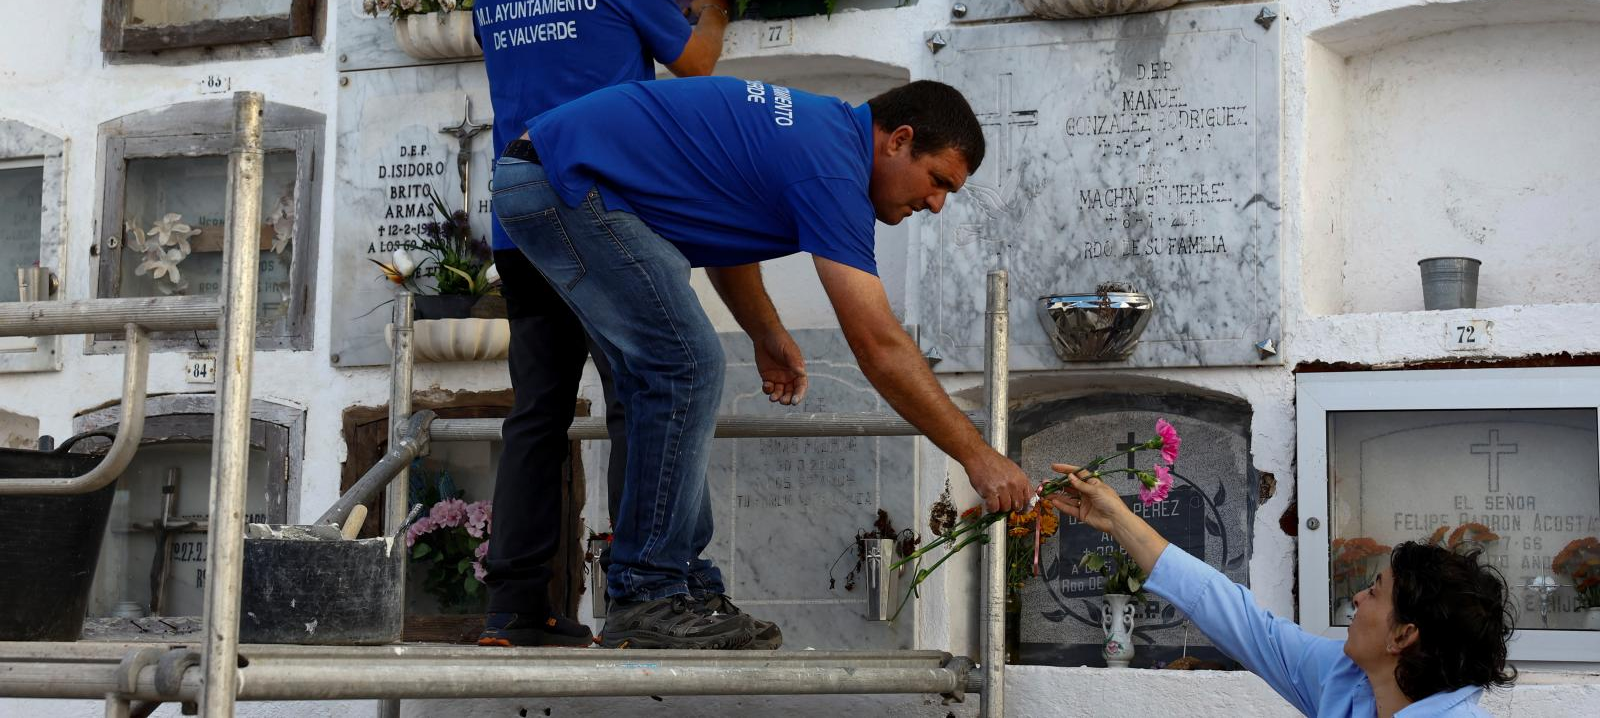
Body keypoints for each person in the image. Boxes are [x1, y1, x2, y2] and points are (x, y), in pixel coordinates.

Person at [491, 75, 1035, 650]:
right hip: (561, 179)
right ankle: (650, 592)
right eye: (938, 181)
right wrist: (976, 456)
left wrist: (765, 330)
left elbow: (725, 223)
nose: (936, 204)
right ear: (898, 140)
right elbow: (878, 344)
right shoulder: (832, 168)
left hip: (555, 173)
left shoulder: (821, 134)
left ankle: (682, 587)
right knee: (686, 364)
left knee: (664, 373)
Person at [472, 0, 731, 648]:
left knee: (537, 414)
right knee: (643, 399)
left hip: (520, 228)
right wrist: (720, 4)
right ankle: (642, 593)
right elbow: (691, 68)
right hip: (609, 220)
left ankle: (515, 608)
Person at [1047, 465, 1517, 717]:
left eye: (1375, 592)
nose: (1357, 599)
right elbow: (1243, 621)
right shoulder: (1347, 681)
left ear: (1403, 635)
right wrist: (1117, 519)